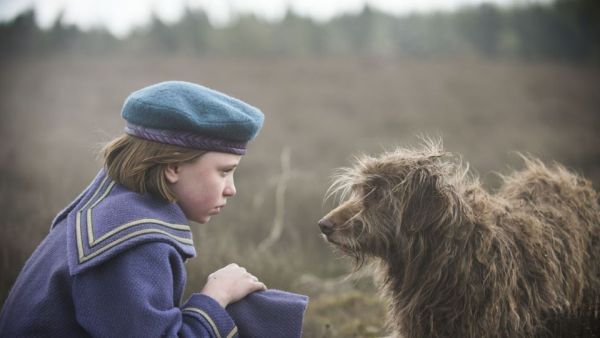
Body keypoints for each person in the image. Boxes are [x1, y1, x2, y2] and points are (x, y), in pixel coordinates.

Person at [0, 81, 308, 337]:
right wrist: (216, 297)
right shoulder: (131, 243)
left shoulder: (114, 208)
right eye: (223, 171)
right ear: (173, 166)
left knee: (254, 309)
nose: (232, 188)